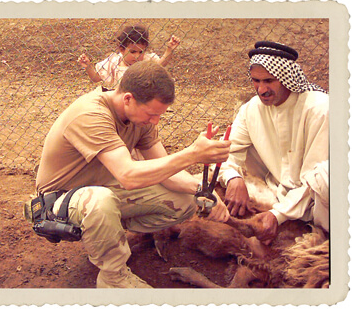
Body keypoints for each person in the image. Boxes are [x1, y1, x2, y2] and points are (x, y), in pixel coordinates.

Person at [34, 60, 231, 288]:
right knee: (101, 202)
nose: (155, 121)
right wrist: (193, 154)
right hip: (59, 202)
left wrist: (202, 190)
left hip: (103, 189)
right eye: (152, 114)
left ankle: (108, 236)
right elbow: (127, 175)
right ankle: (113, 278)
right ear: (128, 98)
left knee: (184, 200)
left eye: (159, 115)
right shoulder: (91, 115)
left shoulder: (141, 118)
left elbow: (164, 171)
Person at [217, 41, 329, 244]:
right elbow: (226, 150)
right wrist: (233, 177)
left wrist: (277, 215)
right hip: (276, 188)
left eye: (269, 81)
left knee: (327, 178)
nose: (261, 90)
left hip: (318, 201)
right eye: (256, 81)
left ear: (287, 78)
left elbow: (316, 180)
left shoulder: (319, 109)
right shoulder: (252, 109)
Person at [77, 24, 180, 91]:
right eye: (133, 51)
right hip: (119, 103)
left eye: (141, 51)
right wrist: (88, 67)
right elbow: (96, 78)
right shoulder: (114, 63)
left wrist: (169, 49)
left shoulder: (146, 61)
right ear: (122, 50)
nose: (137, 56)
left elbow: (161, 64)